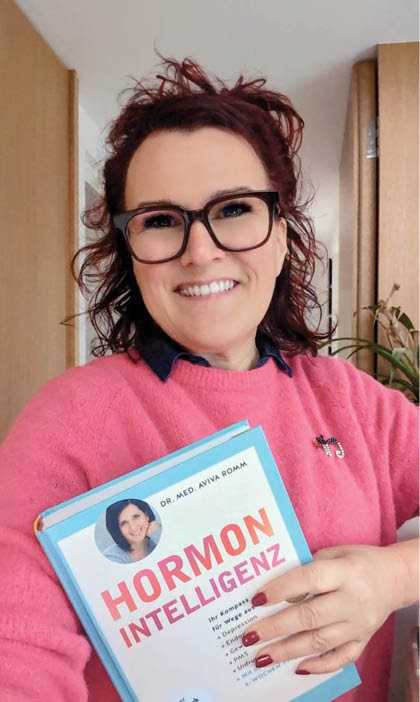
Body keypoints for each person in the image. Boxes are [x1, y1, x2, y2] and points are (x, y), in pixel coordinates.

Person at [0, 56, 418, 702]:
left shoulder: (355, 403)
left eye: (235, 209)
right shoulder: (71, 419)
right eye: (160, 220)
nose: (201, 251)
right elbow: (16, 651)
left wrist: (393, 577)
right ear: (131, 253)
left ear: (281, 237)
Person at [102, 499, 159, 563]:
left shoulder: (157, 539)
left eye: (136, 517)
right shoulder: (112, 557)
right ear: (117, 529)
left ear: (147, 515)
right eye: (124, 523)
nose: (133, 528)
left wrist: (157, 532)